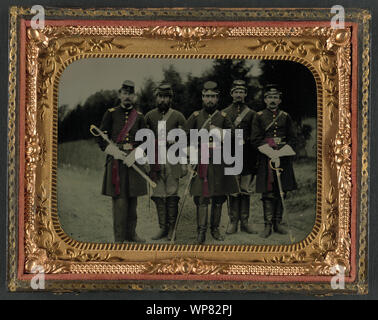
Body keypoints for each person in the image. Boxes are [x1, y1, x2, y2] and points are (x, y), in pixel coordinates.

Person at [185, 81, 239, 244]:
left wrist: (219, 132)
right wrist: (191, 154)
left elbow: (234, 137)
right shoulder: (195, 116)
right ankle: (201, 232)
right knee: (202, 197)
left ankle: (214, 229)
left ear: (217, 99)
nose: (210, 100)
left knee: (218, 197)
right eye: (207, 96)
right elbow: (184, 137)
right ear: (202, 97)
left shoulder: (223, 117)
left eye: (213, 97)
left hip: (219, 161)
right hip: (201, 160)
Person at [96, 80, 147, 243]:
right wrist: (113, 151)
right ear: (120, 95)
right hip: (116, 161)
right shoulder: (110, 113)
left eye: (130, 94)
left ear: (134, 96)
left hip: (133, 161)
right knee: (120, 202)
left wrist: (137, 153)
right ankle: (119, 239)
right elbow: (100, 137)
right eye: (124, 94)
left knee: (133, 201)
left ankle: (131, 234)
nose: (127, 97)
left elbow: (147, 140)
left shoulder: (139, 117)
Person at [251, 84, 297, 238]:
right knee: (268, 192)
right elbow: (255, 138)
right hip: (266, 158)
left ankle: (278, 223)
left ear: (279, 100)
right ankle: (267, 226)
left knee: (281, 191)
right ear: (265, 100)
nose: (272, 100)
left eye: (275, 97)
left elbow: (293, 138)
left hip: (283, 158)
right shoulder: (258, 116)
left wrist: (281, 153)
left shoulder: (286, 116)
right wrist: (271, 153)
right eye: (269, 97)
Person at [145, 83, 187, 241]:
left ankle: (171, 229)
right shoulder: (149, 116)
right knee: (158, 195)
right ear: (156, 97)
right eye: (160, 96)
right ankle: (162, 228)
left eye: (166, 97)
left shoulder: (178, 116)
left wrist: (183, 163)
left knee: (172, 195)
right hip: (155, 161)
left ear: (171, 98)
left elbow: (185, 140)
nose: (163, 99)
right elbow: (144, 141)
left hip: (173, 160)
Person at [222, 80, 258, 235]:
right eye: (236, 92)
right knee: (233, 190)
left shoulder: (252, 114)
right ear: (231, 94)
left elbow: (255, 135)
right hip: (230, 155)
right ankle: (232, 222)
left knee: (245, 189)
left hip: (247, 156)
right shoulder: (224, 113)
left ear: (245, 94)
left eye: (241, 92)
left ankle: (245, 222)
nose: (238, 95)